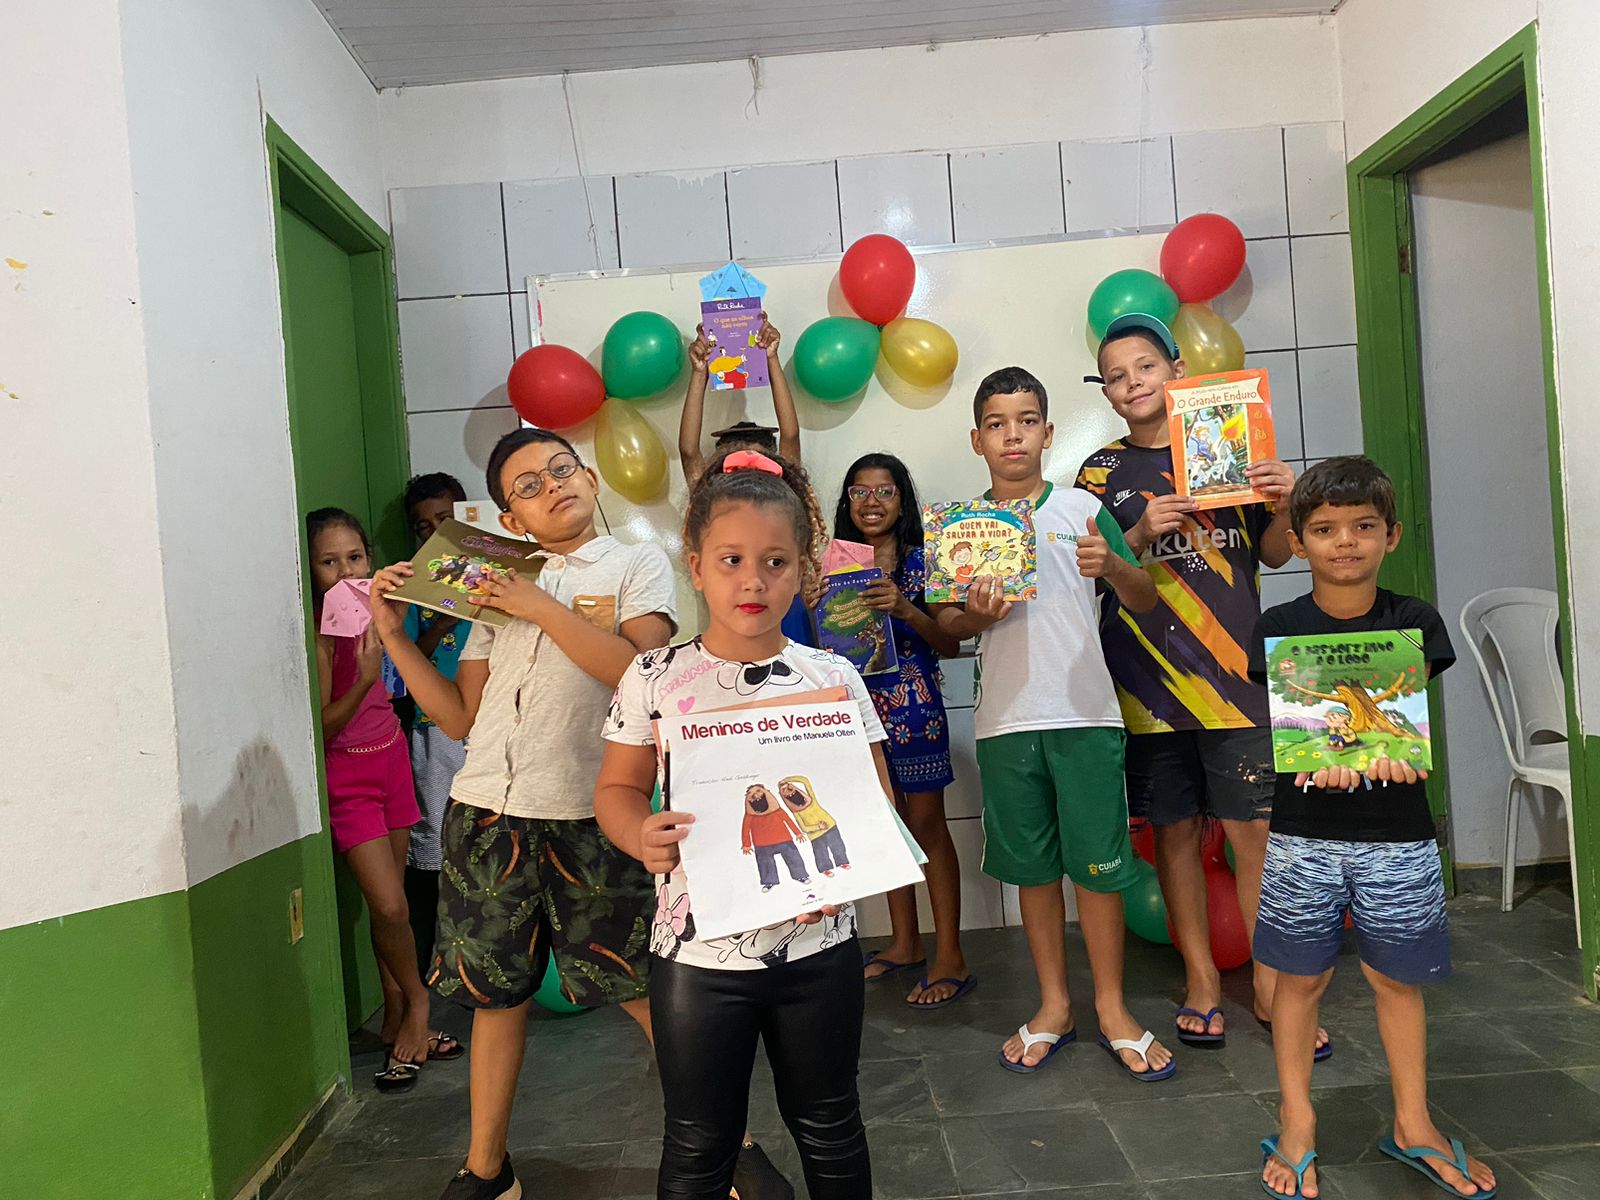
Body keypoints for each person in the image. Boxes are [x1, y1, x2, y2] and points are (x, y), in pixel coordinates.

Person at [371, 430, 687, 1200]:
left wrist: (539, 605)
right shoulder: (494, 581)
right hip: (485, 817)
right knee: (494, 998)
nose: (552, 486)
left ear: (591, 479)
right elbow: (458, 717)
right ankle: (487, 1169)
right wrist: (394, 636)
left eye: (561, 469)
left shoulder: (634, 566)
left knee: (640, 989)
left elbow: (642, 674)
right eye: (528, 485)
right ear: (511, 519)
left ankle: (725, 1147)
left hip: (590, 814)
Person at [596, 448, 880, 1200]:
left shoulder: (834, 679)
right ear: (695, 567)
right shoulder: (653, 677)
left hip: (819, 947)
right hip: (698, 959)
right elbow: (617, 789)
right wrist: (637, 833)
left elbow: (871, 801)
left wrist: (853, 864)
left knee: (830, 1123)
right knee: (698, 1140)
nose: (753, 581)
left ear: (802, 570)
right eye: (731, 560)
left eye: (775, 562)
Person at [1075, 314, 1324, 1056]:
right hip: (1146, 682)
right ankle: (1202, 981)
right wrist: (1139, 531)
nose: (1132, 384)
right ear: (1106, 393)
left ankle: (1274, 990)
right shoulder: (1099, 474)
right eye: (1115, 377)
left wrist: (1286, 502)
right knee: (1174, 834)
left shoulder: (1229, 442)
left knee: (1257, 835)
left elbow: (1274, 554)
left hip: (1238, 677)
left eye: (1144, 367)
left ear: (1177, 371)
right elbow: (1088, 568)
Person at [1251, 456, 1495, 1199]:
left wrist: (1382, 755)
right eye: (1325, 529)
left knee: (1397, 978)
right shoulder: (1278, 629)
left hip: (1398, 831)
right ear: (1298, 541)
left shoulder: (1416, 622)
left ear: (1391, 536)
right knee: (1299, 979)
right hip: (1303, 832)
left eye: (1363, 527)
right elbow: (1296, 732)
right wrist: (1321, 760)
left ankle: (1413, 1122)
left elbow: (1401, 726)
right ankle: (1296, 1121)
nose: (1345, 542)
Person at [933, 367, 1174, 1081]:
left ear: (1047, 431)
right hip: (1005, 723)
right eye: (997, 423)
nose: (1013, 435)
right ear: (976, 439)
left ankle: (1112, 1007)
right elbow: (948, 626)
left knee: (1099, 869)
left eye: (1027, 420)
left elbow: (1144, 597)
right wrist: (976, 616)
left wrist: (1115, 567)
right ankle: (1054, 1006)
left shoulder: (1081, 509)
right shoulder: (961, 527)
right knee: (1034, 873)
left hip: (1086, 715)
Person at [305, 507, 459, 1093]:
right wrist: (367, 677)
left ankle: (395, 1016)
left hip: (392, 759)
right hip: (347, 779)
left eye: (354, 558)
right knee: (392, 908)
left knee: (388, 906)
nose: (345, 572)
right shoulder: (320, 635)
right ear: (311, 571)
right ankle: (419, 1006)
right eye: (329, 562)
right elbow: (321, 726)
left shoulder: (378, 611)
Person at [831, 453, 972, 1008]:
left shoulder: (926, 559)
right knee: (885, 827)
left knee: (928, 826)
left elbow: (951, 643)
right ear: (847, 501)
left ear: (901, 500)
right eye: (859, 491)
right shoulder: (835, 564)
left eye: (884, 491)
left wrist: (906, 610)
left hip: (916, 709)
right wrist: (812, 606)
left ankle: (951, 956)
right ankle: (906, 943)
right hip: (856, 716)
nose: (871, 502)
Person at [680, 316, 812, 648]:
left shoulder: (785, 497)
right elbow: (688, 450)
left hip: (789, 627)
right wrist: (699, 373)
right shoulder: (713, 500)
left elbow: (791, 434)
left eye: (757, 449)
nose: (748, 455)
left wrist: (771, 359)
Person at [399, 471, 469, 972]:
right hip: (433, 724)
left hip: (491, 720)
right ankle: (441, 954)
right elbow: (406, 660)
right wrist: (439, 624)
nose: (434, 531)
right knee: (435, 836)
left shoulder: (494, 573)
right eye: (423, 526)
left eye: (444, 519)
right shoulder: (414, 583)